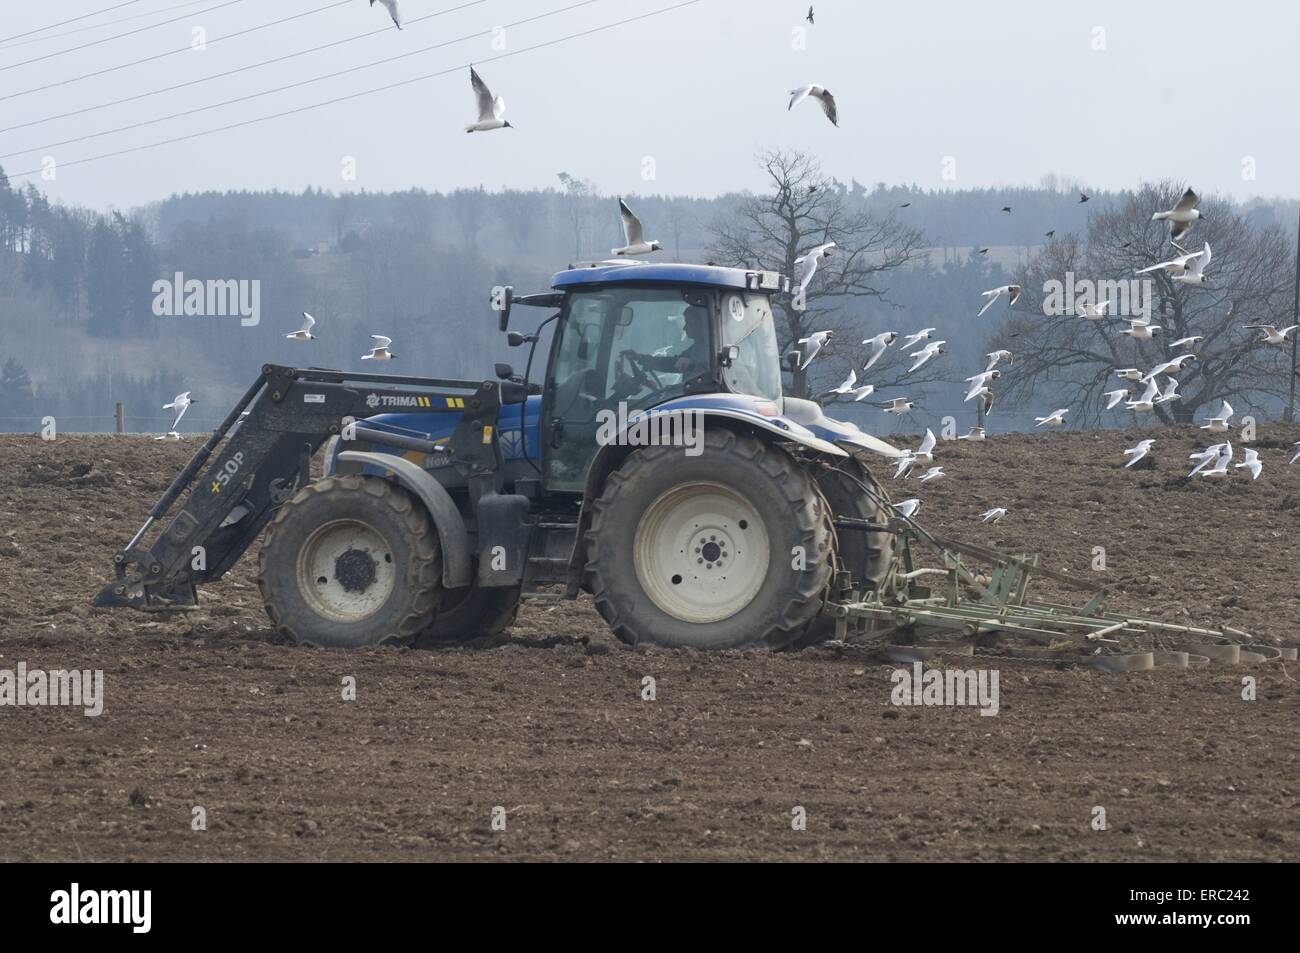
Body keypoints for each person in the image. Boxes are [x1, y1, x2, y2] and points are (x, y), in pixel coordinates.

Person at [637, 305, 711, 376]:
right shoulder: (697, 347)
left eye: (688, 323)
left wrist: (692, 364)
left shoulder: (713, 347)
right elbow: (674, 363)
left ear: (699, 324)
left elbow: (710, 367)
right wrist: (642, 358)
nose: (684, 328)